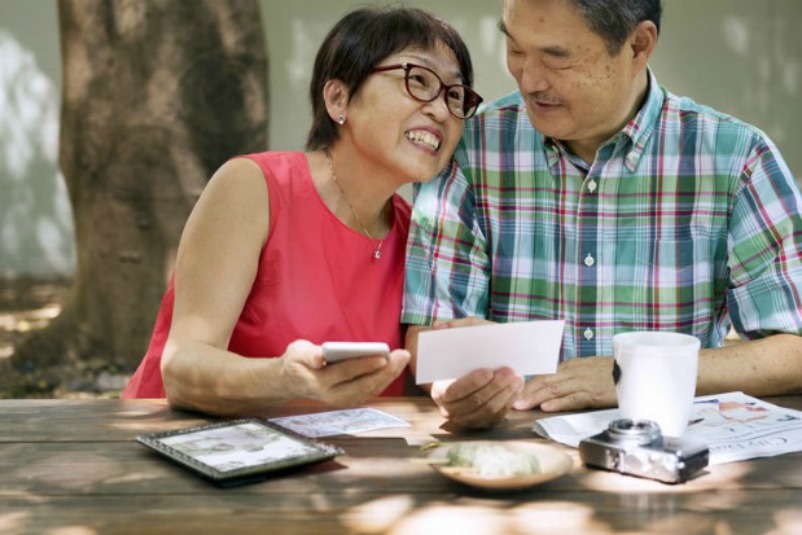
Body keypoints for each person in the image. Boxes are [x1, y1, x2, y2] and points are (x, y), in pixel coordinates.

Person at [402, 0, 802, 428]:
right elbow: (429, 329)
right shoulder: (472, 148)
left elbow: (793, 349)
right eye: (516, 49)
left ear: (638, 45)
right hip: (513, 452)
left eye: (557, 58)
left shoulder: (736, 158)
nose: (529, 80)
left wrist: (633, 374)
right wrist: (450, 384)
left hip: (668, 453)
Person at [121, 6, 483, 415]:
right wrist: (284, 379)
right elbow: (182, 368)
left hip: (334, 466)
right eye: (418, 80)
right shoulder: (253, 186)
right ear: (338, 97)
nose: (441, 110)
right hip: (187, 451)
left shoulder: (418, 233)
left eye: (455, 95)